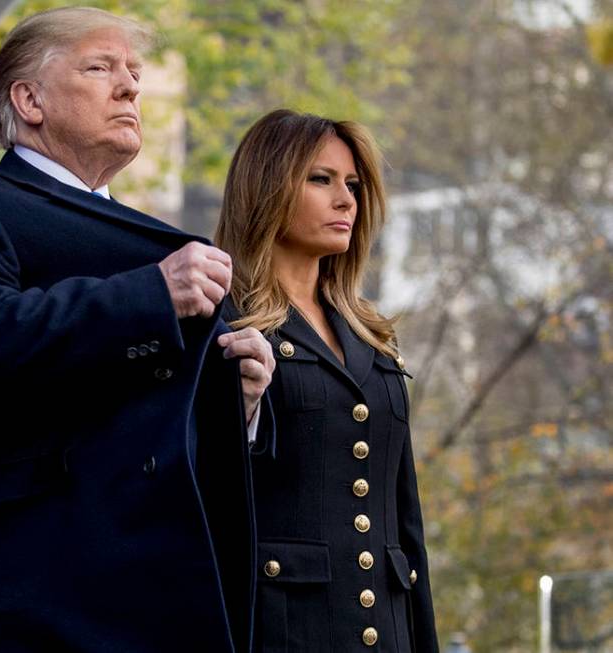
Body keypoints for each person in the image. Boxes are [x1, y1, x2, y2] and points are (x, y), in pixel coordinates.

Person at [0, 7, 274, 652]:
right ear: (28, 99)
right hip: (6, 594)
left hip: (146, 606)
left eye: (135, 73)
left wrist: (235, 403)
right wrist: (151, 295)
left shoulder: (169, 250)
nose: (129, 88)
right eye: (100, 67)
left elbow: (157, 447)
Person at [215, 109, 439, 652]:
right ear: (267, 187)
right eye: (321, 180)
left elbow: (404, 523)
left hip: (388, 634)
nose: (346, 200)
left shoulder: (371, 337)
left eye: (353, 185)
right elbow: (196, 492)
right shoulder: (220, 321)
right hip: (280, 632)